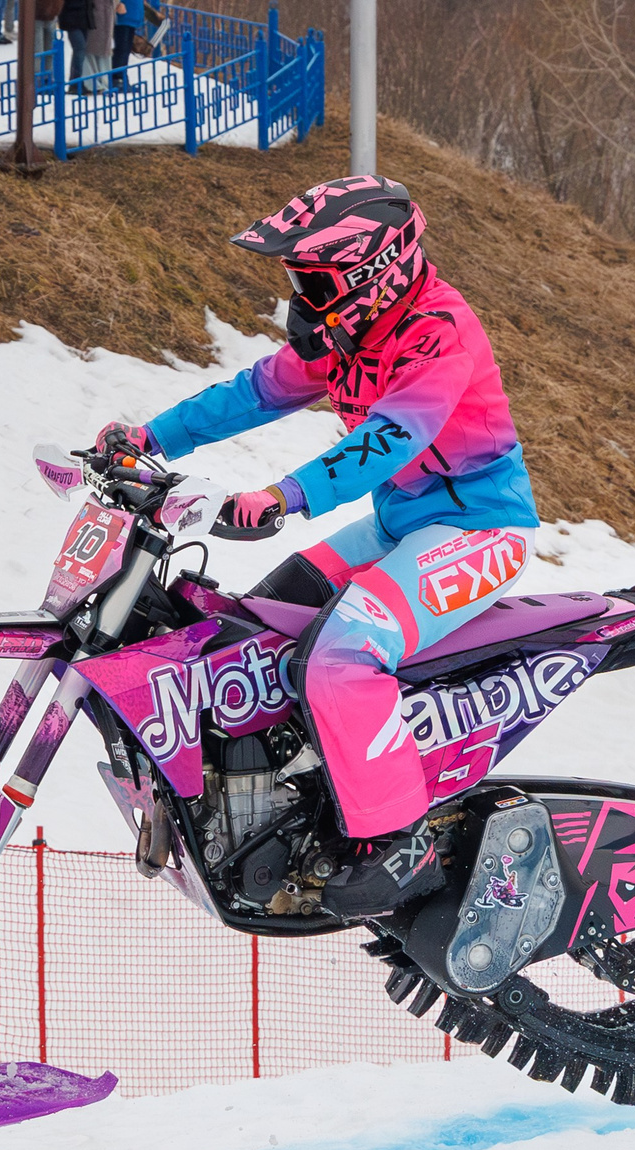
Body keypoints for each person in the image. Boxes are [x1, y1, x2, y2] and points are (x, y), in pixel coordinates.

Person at [90, 177, 537, 917]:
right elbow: (254, 392)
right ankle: (287, 804)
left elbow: (389, 440)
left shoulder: (439, 332)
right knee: (260, 625)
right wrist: (148, 439)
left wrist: (285, 496)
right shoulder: (348, 332)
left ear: (372, 272)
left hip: (480, 529)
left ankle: (399, 836)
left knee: (343, 657)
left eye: (313, 279)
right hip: (402, 525)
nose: (300, 294)